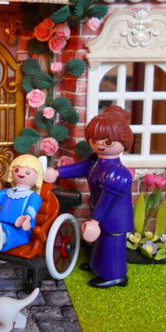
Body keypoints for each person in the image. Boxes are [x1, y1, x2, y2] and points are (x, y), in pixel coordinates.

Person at [44, 106, 134, 288]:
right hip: (100, 213)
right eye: (94, 140)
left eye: (108, 142)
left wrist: (95, 221)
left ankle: (115, 275)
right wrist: (58, 172)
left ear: (123, 142)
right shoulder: (97, 161)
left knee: (112, 244)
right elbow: (82, 168)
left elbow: (109, 199)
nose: (100, 144)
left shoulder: (118, 172)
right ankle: (97, 266)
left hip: (114, 216)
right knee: (100, 242)